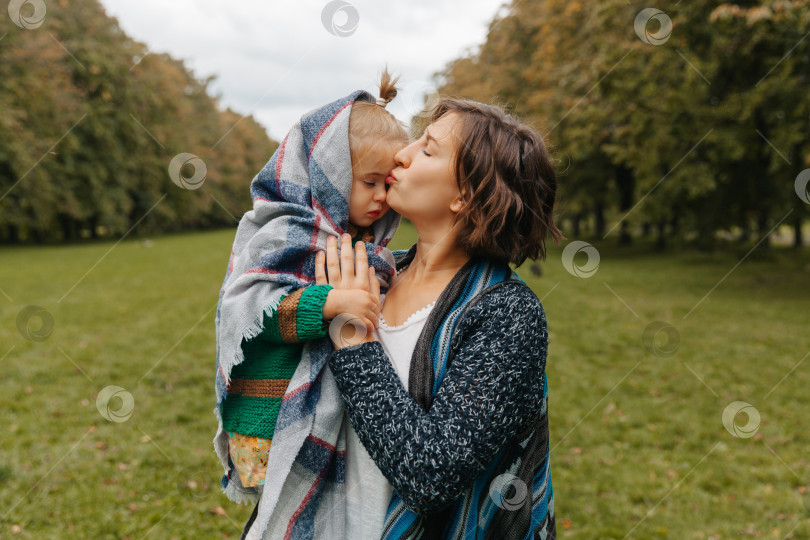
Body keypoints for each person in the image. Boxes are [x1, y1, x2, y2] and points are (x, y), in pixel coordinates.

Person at [315, 97, 564, 539]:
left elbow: (430, 474)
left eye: (427, 149)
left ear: (467, 195)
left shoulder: (508, 314)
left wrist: (353, 338)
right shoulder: (373, 269)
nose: (402, 154)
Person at [212, 70, 408, 509]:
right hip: (271, 423)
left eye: (388, 185)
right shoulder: (286, 231)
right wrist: (332, 301)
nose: (380, 198)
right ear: (329, 176)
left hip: (328, 427)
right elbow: (253, 309)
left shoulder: (362, 244)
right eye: (369, 182)